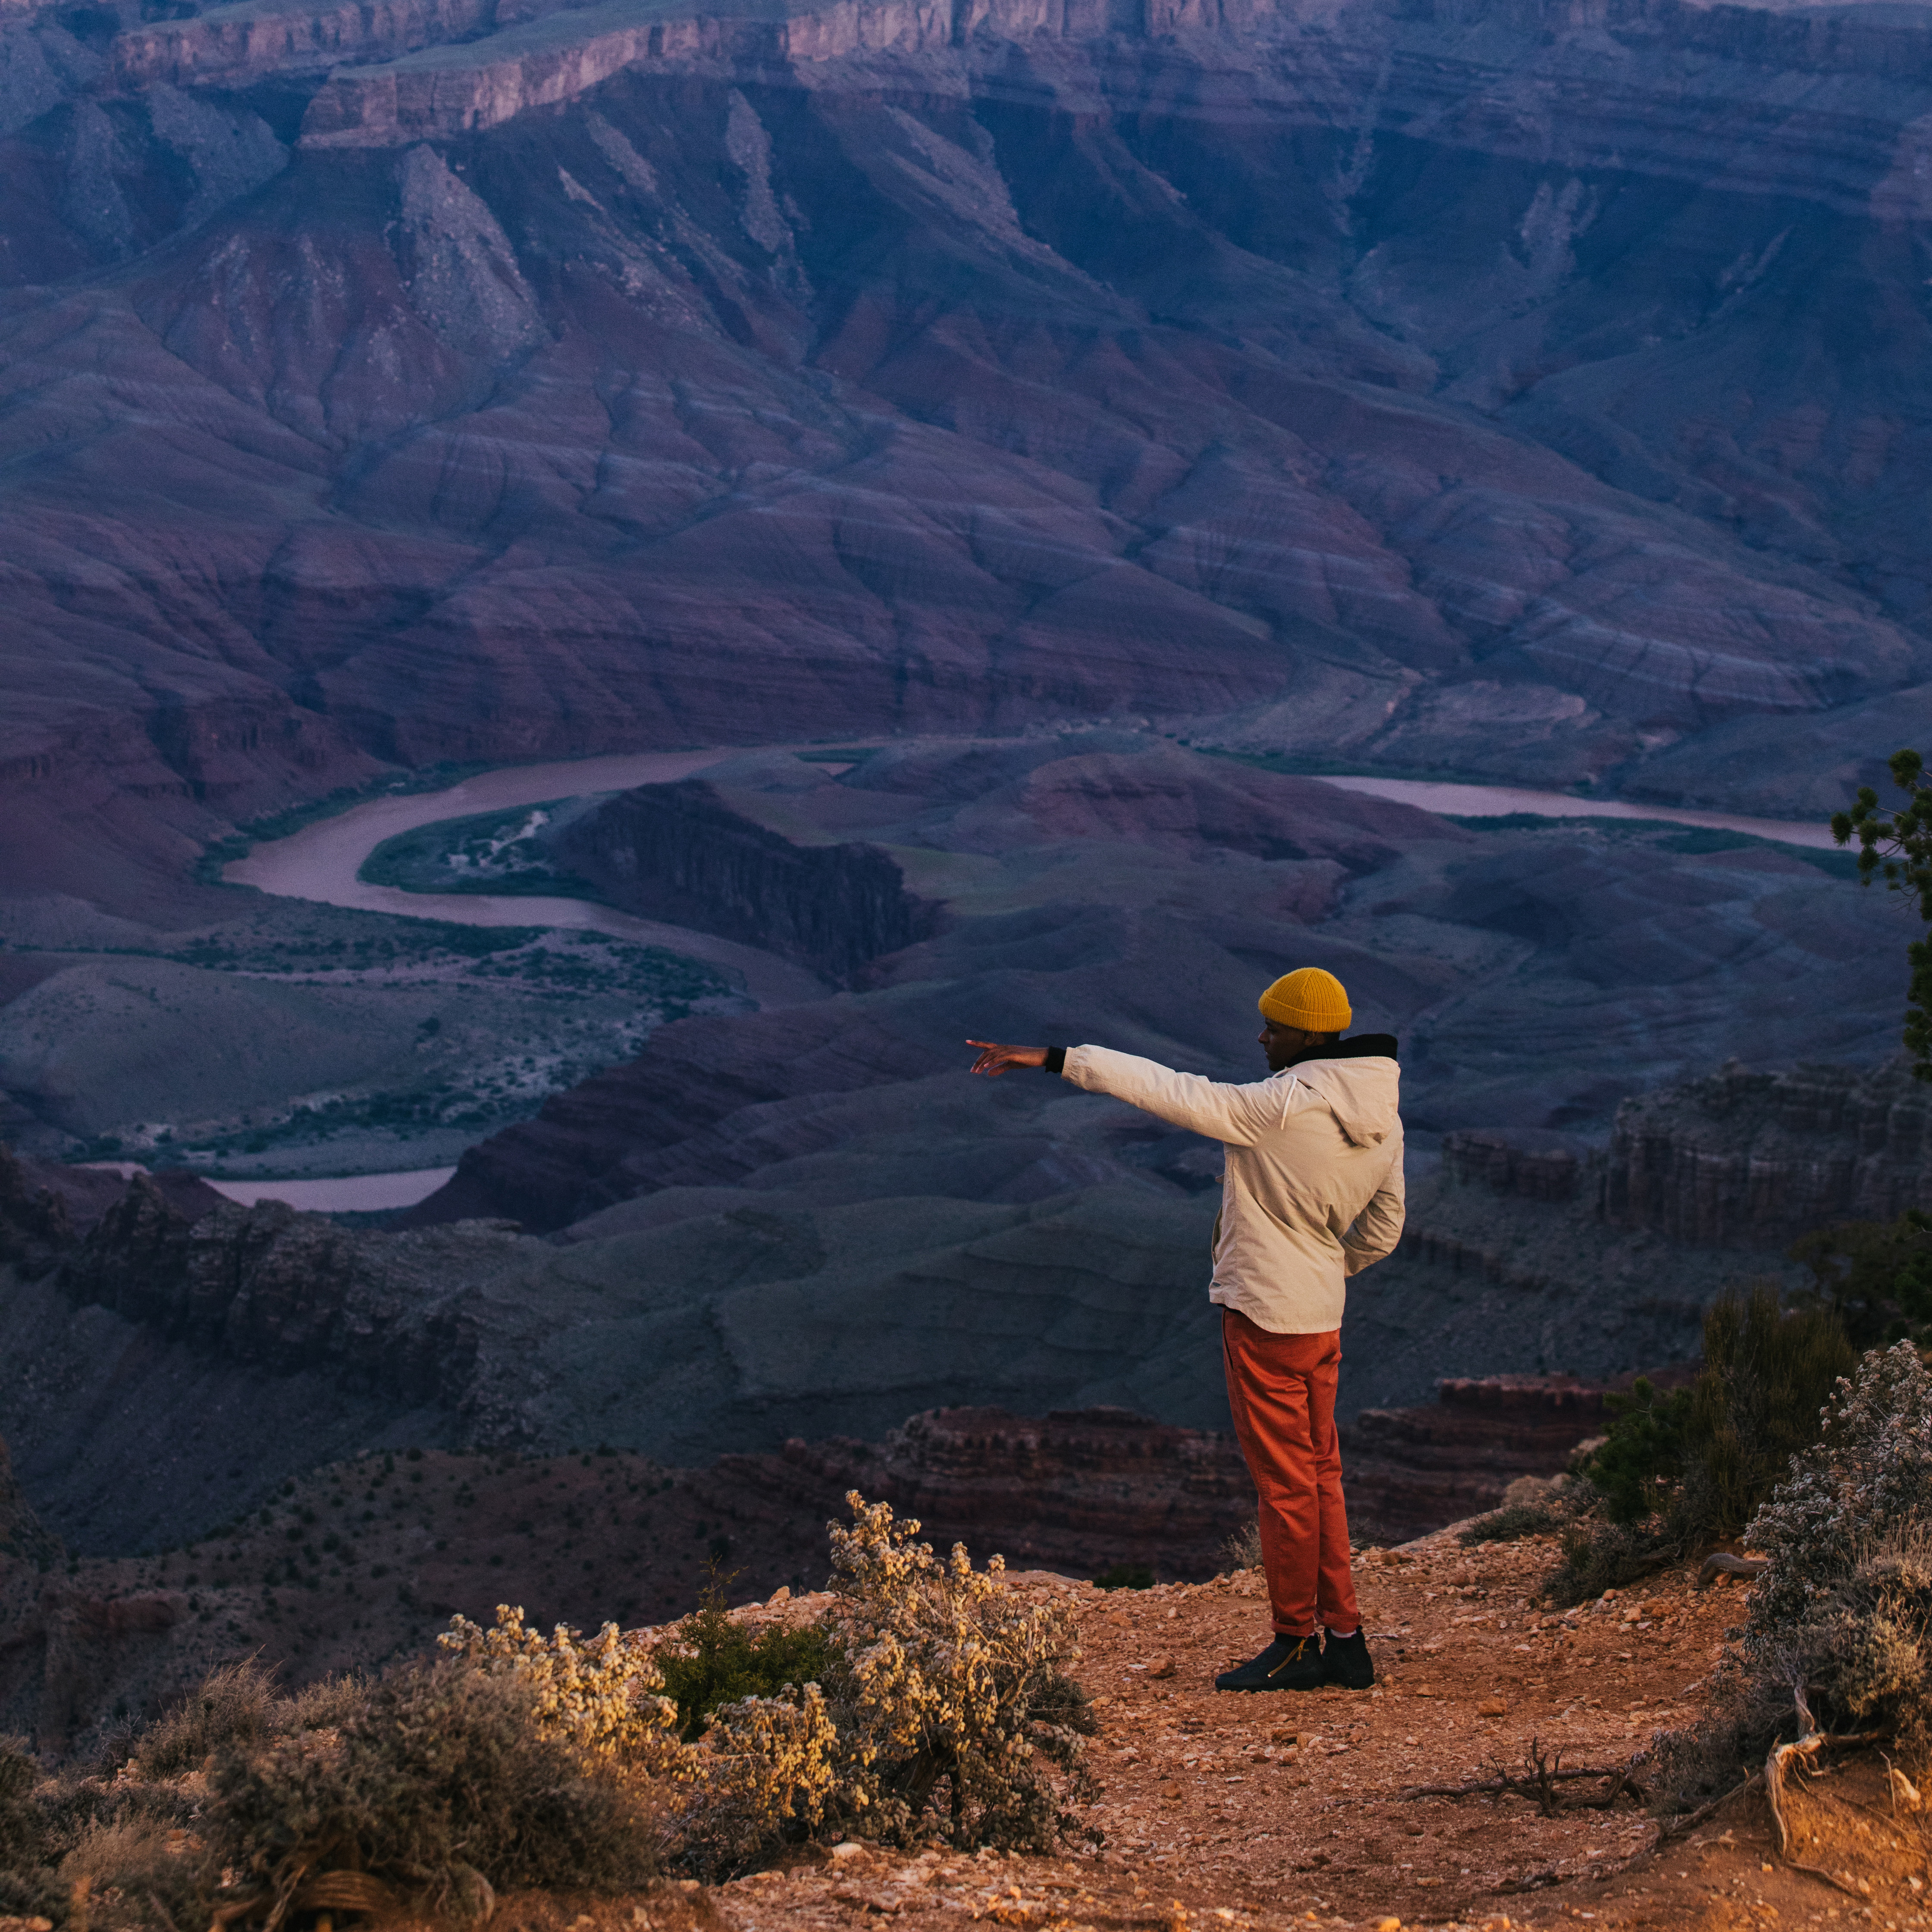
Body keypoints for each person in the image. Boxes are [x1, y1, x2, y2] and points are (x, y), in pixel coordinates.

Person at [967, 966, 1403, 1693]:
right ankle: (1348, 1642)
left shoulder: (1275, 1106)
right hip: (1320, 1319)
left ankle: (1295, 1643)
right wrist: (1324, 1267)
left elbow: (1168, 1088)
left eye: (1273, 1027)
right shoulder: (1383, 1113)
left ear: (1305, 1037)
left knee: (1286, 1489)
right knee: (1322, 1477)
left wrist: (1054, 1059)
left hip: (1265, 1317)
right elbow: (1384, 1231)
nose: (1261, 1038)